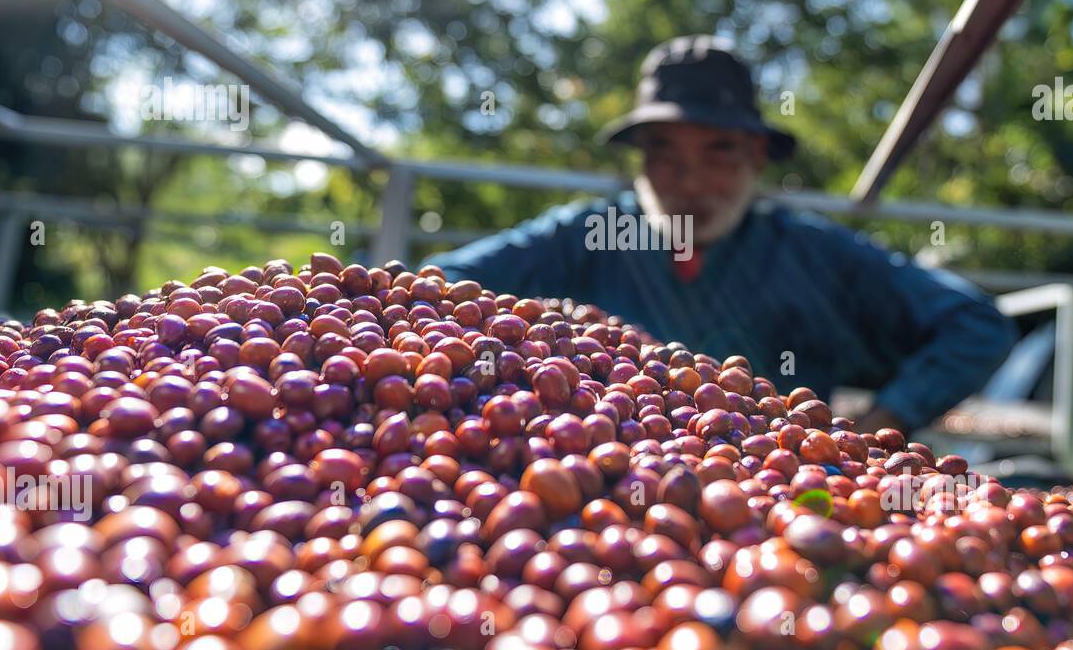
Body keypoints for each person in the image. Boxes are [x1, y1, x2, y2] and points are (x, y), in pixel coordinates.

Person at [425, 35, 1016, 434]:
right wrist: (544, 358)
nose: (691, 184)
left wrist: (883, 420)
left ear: (757, 156)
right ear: (639, 162)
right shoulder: (589, 234)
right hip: (602, 480)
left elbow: (975, 324)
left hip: (775, 505)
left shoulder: (815, 254)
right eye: (665, 155)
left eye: (718, 155)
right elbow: (439, 283)